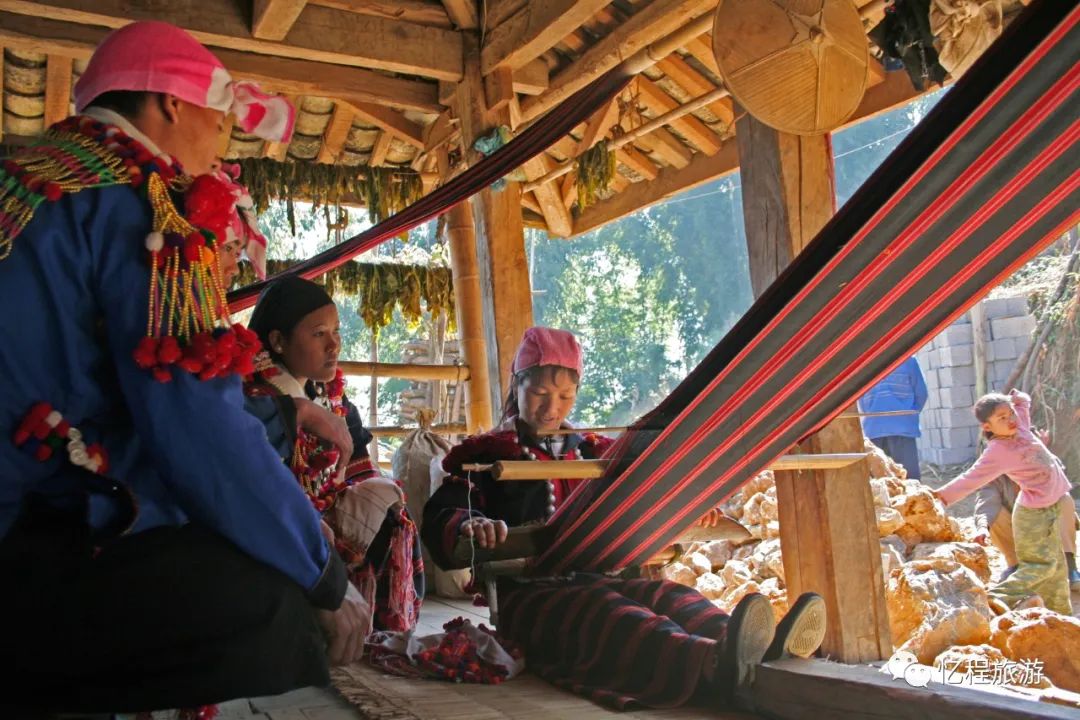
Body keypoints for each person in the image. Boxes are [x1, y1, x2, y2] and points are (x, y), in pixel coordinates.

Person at [0, 22, 368, 713]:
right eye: (218, 119)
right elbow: (196, 426)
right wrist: (320, 575)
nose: (220, 145)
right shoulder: (152, 206)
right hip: (21, 545)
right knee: (271, 605)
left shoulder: (29, 179)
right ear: (171, 106)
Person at [422, 327, 827, 710]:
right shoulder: (486, 456)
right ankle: (714, 665)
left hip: (610, 574)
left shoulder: (599, 452)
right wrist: (469, 525)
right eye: (540, 393)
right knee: (613, 612)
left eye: (565, 396)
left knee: (671, 597)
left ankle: (765, 653)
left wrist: (691, 508)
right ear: (517, 387)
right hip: (531, 597)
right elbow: (445, 513)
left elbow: (652, 494)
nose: (552, 408)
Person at [246, 276, 424, 632]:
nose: (334, 345)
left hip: (332, 518)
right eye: (318, 334)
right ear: (278, 341)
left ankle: (382, 625)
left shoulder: (334, 399)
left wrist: (370, 497)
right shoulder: (253, 399)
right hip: (278, 527)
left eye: (336, 331)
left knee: (390, 509)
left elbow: (359, 466)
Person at [933, 390, 1073, 614]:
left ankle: (1064, 620)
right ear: (987, 427)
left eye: (1011, 414)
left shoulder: (1022, 429)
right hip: (1033, 516)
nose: (1011, 420)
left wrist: (1017, 399)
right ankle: (991, 600)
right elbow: (971, 478)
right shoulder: (998, 451)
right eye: (1002, 418)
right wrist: (941, 496)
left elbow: (1024, 404)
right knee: (1040, 567)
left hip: (1051, 509)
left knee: (1057, 570)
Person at [974, 475, 1080, 588]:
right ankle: (1017, 565)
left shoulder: (1042, 464)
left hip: (1048, 530)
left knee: (1063, 497)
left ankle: (1069, 566)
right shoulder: (994, 474)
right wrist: (982, 527)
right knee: (994, 515)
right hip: (1018, 535)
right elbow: (986, 503)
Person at [859, 356, 928, 479]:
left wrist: (873, 415)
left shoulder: (865, 364)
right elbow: (921, 393)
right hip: (903, 428)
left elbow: (862, 400)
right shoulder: (908, 361)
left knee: (880, 482)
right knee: (909, 480)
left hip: (874, 429)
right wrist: (908, 414)